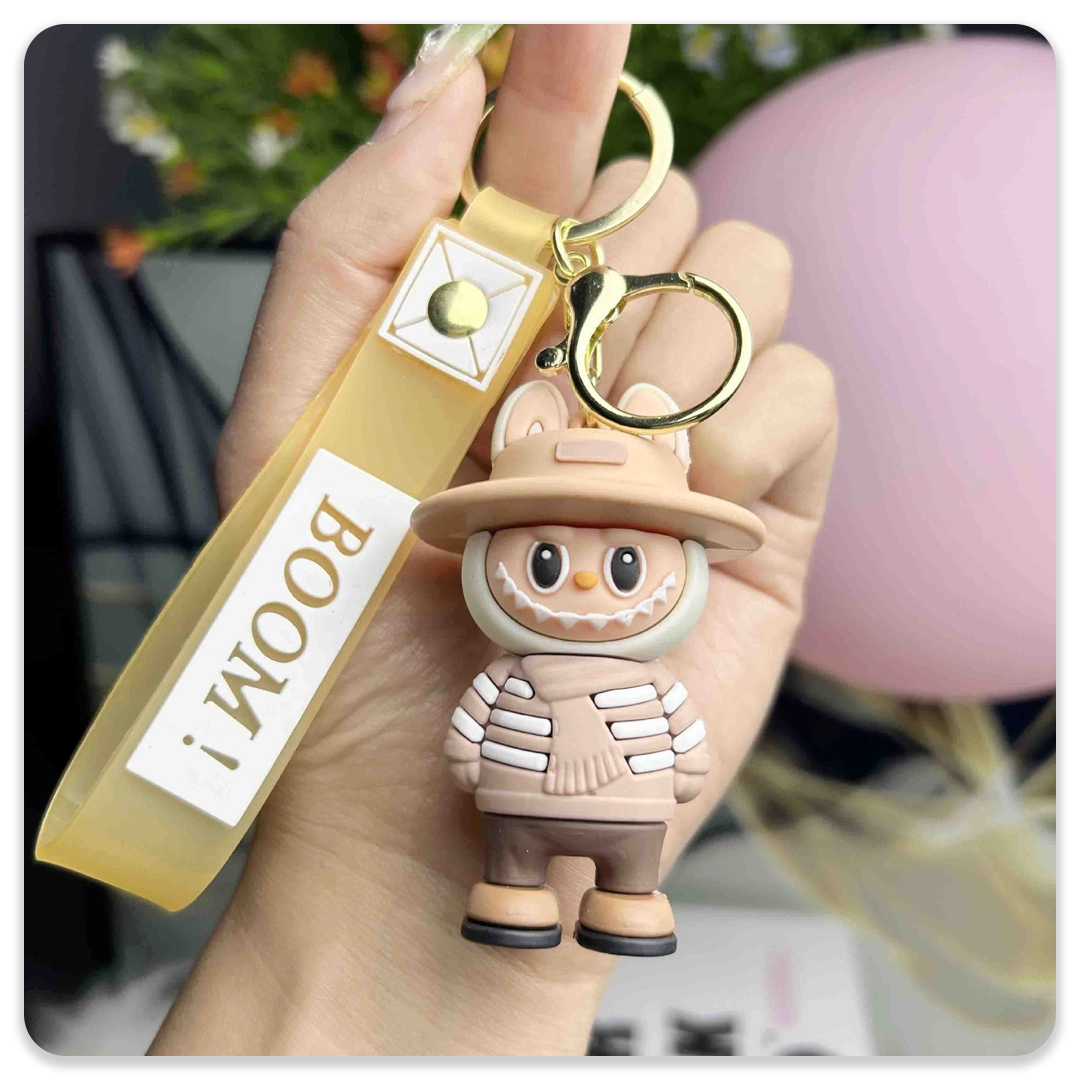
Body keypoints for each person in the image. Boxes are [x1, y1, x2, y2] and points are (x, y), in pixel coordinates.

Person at [151, 24, 837, 1055]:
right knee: (512, 858)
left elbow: (667, 742)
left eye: (625, 564)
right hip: (511, 814)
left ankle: (627, 898)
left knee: (616, 862)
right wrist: (375, 868)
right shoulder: (504, 663)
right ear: (483, 556)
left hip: (610, 812)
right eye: (547, 560)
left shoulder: (621, 678)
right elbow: (487, 738)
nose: (585, 593)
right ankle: (520, 890)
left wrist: (661, 759)